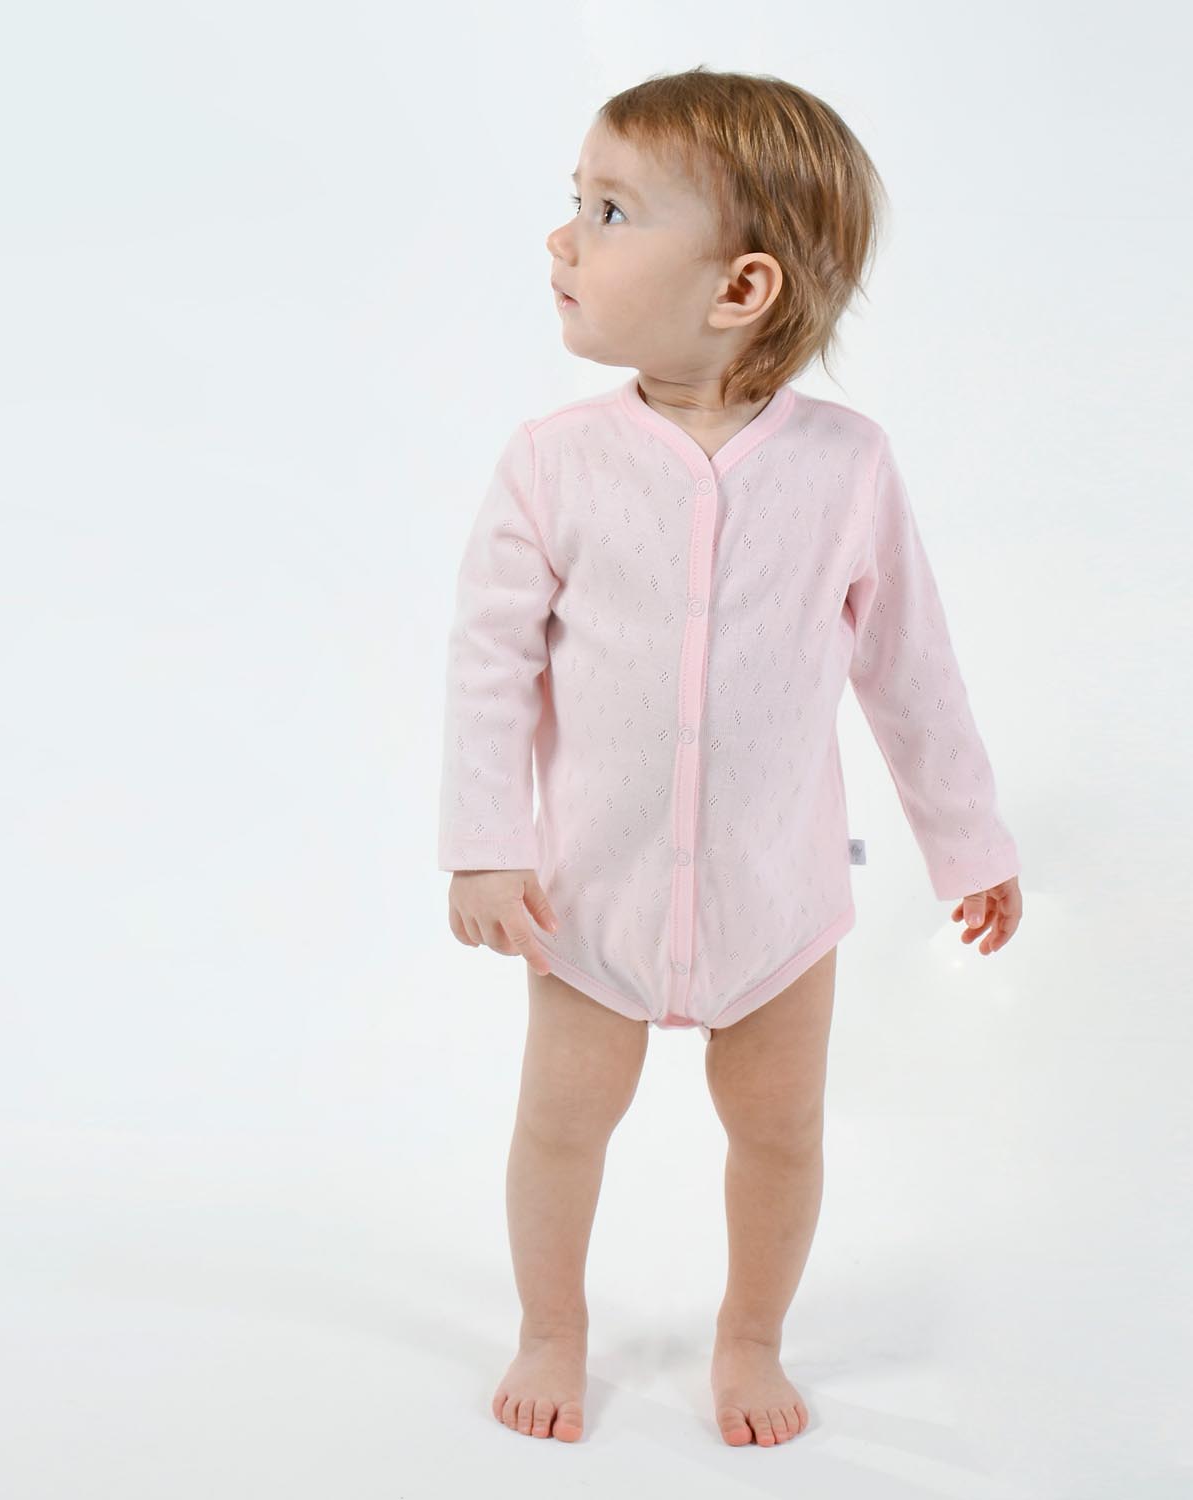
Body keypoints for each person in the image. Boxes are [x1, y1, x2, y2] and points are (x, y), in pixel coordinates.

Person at [437, 66, 1024, 1447]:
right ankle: (552, 1328)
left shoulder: (847, 469)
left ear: (741, 288)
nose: (562, 237)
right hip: (587, 897)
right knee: (561, 1124)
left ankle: (750, 1338)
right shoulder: (552, 464)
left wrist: (970, 845)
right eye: (575, 199)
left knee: (778, 1131)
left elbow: (912, 673)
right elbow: (487, 664)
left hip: (779, 896)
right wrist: (485, 845)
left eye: (610, 211)